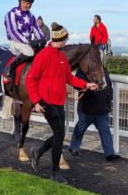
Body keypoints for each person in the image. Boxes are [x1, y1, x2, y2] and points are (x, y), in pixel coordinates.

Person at [26, 22, 98, 184]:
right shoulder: (43, 55)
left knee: (60, 134)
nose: (67, 41)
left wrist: (85, 85)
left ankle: (37, 152)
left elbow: (69, 78)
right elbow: (31, 79)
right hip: (45, 102)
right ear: (61, 39)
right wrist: (36, 102)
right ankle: (54, 172)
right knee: (59, 134)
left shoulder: (61, 56)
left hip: (59, 101)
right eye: (66, 39)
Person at [69, 66, 120, 162]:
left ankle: (110, 154)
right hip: (86, 108)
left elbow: (109, 87)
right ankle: (73, 147)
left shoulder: (104, 70)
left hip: (102, 109)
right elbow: (76, 85)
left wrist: (108, 102)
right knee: (80, 128)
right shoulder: (82, 70)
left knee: (105, 130)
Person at [4, 0, 45, 83]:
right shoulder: (12, 13)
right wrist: (28, 42)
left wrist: (42, 40)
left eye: (28, 3)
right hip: (16, 42)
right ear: (19, 2)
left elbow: (37, 30)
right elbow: (12, 32)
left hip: (27, 43)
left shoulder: (32, 16)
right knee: (29, 52)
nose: (25, 5)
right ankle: (9, 68)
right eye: (23, 2)